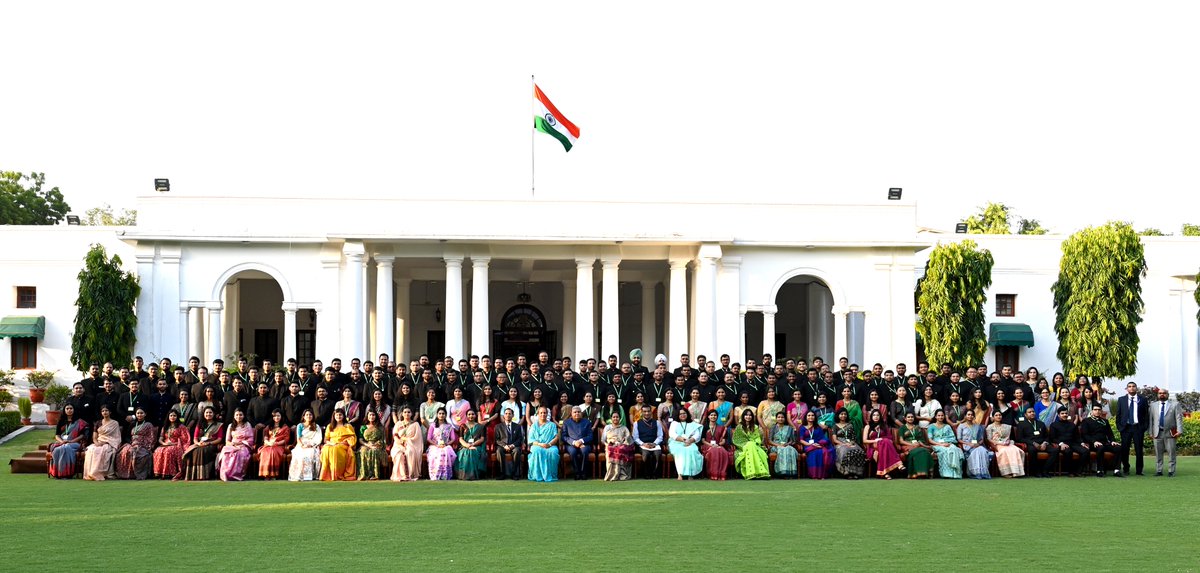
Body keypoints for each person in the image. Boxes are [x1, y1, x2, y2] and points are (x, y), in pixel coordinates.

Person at [180, 406, 225, 481]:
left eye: (210, 412)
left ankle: (204, 475)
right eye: (206, 412)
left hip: (211, 444)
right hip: (200, 443)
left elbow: (219, 439)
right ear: (203, 414)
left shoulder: (218, 425)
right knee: (192, 451)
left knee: (202, 451)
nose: (208, 414)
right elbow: (195, 438)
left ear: (214, 414)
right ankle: (193, 475)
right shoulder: (200, 424)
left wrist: (209, 443)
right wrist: (197, 443)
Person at [1115, 381, 1150, 476]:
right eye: (1129, 386)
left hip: (1138, 427)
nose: (1131, 388)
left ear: (1136, 388)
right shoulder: (1121, 399)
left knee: (1139, 450)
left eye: (1133, 386)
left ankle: (1139, 470)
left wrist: (1144, 427)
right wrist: (1119, 427)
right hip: (1125, 428)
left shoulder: (1143, 399)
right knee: (1125, 450)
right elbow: (1118, 414)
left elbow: (1146, 415)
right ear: (1127, 389)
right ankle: (1126, 467)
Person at [48, 404, 90, 479]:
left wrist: (71, 441)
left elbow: (82, 435)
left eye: (71, 408)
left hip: (75, 443)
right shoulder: (61, 421)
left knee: (66, 448)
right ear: (64, 410)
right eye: (67, 408)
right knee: (57, 449)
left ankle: (67, 474)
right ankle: (58, 473)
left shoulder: (79, 422)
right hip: (62, 443)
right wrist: (61, 441)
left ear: (74, 410)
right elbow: (57, 435)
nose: (69, 410)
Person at [1149, 388, 1183, 477]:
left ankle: (1171, 471)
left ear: (1167, 394)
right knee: (1158, 453)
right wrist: (1150, 432)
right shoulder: (1153, 405)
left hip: (1170, 433)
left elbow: (1178, 418)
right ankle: (1159, 470)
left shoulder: (1175, 404)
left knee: (1171, 453)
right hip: (1157, 433)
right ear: (1157, 395)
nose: (1162, 394)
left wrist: (1179, 430)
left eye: (1164, 393)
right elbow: (1151, 420)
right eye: (1160, 393)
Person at [82, 405, 122, 481]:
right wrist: (97, 443)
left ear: (110, 412)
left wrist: (106, 442)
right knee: (91, 450)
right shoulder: (98, 423)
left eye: (106, 411)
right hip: (99, 442)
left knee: (103, 450)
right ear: (101, 413)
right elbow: (94, 437)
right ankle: (90, 473)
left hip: (109, 443)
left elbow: (116, 437)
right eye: (103, 411)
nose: (104, 412)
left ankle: (99, 473)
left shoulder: (115, 423)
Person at [1080, 404, 1121, 477]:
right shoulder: (1086, 421)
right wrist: (1094, 441)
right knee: (1100, 448)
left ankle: (1116, 470)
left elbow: (1110, 434)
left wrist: (1112, 441)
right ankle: (1100, 470)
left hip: (1105, 443)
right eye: (1095, 410)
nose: (1097, 411)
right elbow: (1085, 435)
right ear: (1092, 411)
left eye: (1099, 410)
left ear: (1101, 411)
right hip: (1093, 444)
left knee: (1117, 448)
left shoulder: (1105, 421)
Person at [115, 407, 156, 480]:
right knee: (125, 452)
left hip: (144, 445)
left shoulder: (148, 425)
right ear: (136, 414)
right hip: (132, 444)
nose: (139, 415)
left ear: (145, 414)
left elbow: (151, 437)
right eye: (138, 413)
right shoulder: (132, 424)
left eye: (141, 413)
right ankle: (126, 474)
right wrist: (130, 443)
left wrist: (146, 445)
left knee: (139, 453)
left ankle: (139, 475)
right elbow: (127, 436)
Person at [863, 409, 904, 479]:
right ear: (871, 417)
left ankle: (885, 473)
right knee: (884, 441)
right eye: (874, 415)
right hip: (873, 446)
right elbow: (864, 440)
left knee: (885, 442)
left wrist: (882, 440)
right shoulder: (868, 426)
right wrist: (875, 440)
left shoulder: (884, 426)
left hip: (885, 446)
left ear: (880, 417)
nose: (876, 417)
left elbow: (890, 438)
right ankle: (899, 464)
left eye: (877, 415)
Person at [1014, 406, 1052, 478]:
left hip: (1042, 443)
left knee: (1055, 451)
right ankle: (1036, 472)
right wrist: (1033, 443)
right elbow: (1019, 438)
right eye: (1029, 412)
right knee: (1032, 450)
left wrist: (1044, 443)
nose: (1032, 413)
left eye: (1033, 412)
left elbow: (1047, 436)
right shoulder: (1021, 425)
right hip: (1030, 443)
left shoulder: (1041, 423)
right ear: (1025, 415)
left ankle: (1045, 470)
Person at [732, 408, 770, 479]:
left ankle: (760, 473)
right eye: (746, 415)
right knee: (749, 445)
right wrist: (747, 444)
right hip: (743, 447)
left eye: (750, 415)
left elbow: (757, 438)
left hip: (755, 445)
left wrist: (752, 443)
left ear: (752, 417)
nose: (748, 417)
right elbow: (736, 440)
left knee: (758, 450)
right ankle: (751, 473)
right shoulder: (739, 427)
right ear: (743, 416)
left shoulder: (755, 427)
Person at [389, 407, 425, 481]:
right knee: (398, 454)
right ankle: (401, 475)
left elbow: (417, 438)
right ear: (402, 414)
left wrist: (407, 441)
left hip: (412, 444)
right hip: (398, 444)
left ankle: (409, 475)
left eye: (408, 412)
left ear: (411, 414)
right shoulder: (398, 424)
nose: (407, 414)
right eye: (405, 412)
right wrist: (400, 442)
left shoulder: (415, 424)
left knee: (409, 452)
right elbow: (395, 435)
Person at [1048, 408, 1087, 477]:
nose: (1064, 415)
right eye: (1062, 414)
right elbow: (1052, 438)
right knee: (1068, 451)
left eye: (1066, 413)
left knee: (1085, 451)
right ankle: (1070, 472)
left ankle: (1079, 471)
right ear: (1058, 415)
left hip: (1073, 443)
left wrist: (1082, 443)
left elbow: (1077, 437)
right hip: (1062, 444)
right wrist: (1061, 444)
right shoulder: (1054, 425)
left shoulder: (1072, 424)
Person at [218, 408, 255, 481]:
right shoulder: (230, 426)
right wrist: (232, 444)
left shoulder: (247, 425)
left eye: (240, 415)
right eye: (237, 415)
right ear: (234, 416)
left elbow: (251, 439)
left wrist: (240, 443)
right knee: (227, 453)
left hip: (244, 446)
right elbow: (227, 440)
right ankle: (226, 474)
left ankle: (236, 475)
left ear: (243, 416)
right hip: (232, 445)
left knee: (239, 454)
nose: (239, 416)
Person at [153, 410, 190, 479]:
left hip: (177, 445)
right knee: (158, 451)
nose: (172, 417)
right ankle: (159, 473)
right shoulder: (165, 427)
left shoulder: (181, 427)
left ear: (177, 417)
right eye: (171, 415)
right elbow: (160, 438)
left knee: (168, 451)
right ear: (168, 417)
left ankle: (170, 473)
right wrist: (164, 443)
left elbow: (185, 439)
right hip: (166, 444)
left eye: (174, 416)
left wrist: (174, 443)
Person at [987, 410, 1025, 478]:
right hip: (996, 445)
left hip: (1007, 444)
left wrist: (1007, 442)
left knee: (1016, 450)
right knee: (1004, 451)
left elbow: (1010, 438)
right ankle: (1006, 472)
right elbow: (989, 439)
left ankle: (1016, 472)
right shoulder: (990, 427)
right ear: (993, 417)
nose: (998, 416)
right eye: (996, 415)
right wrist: (998, 443)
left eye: (1000, 415)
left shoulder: (1007, 426)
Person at [526, 406, 560, 482]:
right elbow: (531, 440)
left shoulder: (552, 425)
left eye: (544, 413)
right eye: (541, 413)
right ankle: (537, 475)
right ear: (538, 414)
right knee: (536, 451)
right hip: (537, 445)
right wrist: (540, 444)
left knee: (553, 452)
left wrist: (549, 444)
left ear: (547, 414)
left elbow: (556, 437)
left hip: (550, 445)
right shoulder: (534, 426)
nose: (543, 414)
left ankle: (551, 475)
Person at [927, 409, 964, 479]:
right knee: (945, 451)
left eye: (942, 415)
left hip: (948, 443)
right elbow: (930, 440)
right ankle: (946, 473)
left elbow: (953, 438)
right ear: (935, 417)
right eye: (939, 415)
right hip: (936, 445)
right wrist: (941, 444)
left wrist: (947, 443)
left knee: (955, 449)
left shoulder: (947, 426)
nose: (940, 417)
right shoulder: (931, 426)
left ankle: (955, 473)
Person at [831, 408, 866, 479]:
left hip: (850, 443)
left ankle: (856, 473)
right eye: (841, 414)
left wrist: (851, 443)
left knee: (859, 451)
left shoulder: (850, 425)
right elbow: (834, 439)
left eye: (845, 414)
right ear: (838, 415)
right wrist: (843, 444)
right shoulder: (835, 426)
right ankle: (847, 473)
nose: (843, 416)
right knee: (845, 451)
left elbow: (853, 437)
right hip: (840, 444)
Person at [669, 408, 704, 479]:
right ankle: (680, 474)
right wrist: (683, 440)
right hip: (676, 443)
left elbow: (697, 435)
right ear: (678, 415)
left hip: (690, 442)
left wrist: (690, 440)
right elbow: (672, 434)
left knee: (692, 450)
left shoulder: (693, 424)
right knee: (680, 451)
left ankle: (690, 474)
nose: (682, 415)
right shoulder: (674, 423)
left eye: (684, 413)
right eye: (680, 414)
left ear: (687, 414)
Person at [797, 410, 833, 479]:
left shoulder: (818, 427)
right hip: (808, 446)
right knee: (814, 453)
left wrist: (818, 444)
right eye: (809, 415)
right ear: (806, 417)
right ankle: (814, 475)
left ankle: (822, 475)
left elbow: (823, 438)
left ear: (815, 417)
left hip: (818, 444)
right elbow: (801, 440)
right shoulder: (802, 427)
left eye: (812, 415)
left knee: (823, 452)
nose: (811, 417)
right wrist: (811, 445)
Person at [289, 409, 323, 482]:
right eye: (307, 415)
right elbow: (298, 438)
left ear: (313, 416)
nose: (308, 416)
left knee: (311, 454)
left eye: (310, 414)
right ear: (303, 416)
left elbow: (318, 438)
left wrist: (311, 444)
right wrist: (302, 445)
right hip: (301, 445)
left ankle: (310, 476)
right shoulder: (300, 425)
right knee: (300, 456)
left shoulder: (316, 426)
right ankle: (300, 476)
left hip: (312, 445)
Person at [700, 409, 733, 480]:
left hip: (719, 445)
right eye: (711, 415)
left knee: (722, 451)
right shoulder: (705, 427)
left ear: (717, 417)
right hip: (707, 446)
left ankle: (721, 473)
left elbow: (724, 440)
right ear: (708, 417)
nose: (713, 416)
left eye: (715, 415)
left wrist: (718, 444)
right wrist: (711, 445)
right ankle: (713, 473)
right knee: (714, 451)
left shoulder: (722, 427)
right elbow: (703, 440)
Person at [957, 409, 991, 479]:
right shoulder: (961, 426)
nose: (970, 416)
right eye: (968, 414)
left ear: (974, 416)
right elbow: (959, 439)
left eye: (972, 415)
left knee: (982, 450)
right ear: (965, 416)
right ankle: (975, 473)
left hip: (977, 445)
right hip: (967, 446)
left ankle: (983, 472)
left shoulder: (978, 426)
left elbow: (981, 439)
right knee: (978, 451)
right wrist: (969, 444)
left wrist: (978, 444)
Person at [562, 406, 594, 480]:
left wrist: (581, 441)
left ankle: (583, 473)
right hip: (571, 444)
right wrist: (574, 442)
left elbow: (590, 436)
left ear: (581, 413)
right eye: (575, 412)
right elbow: (564, 436)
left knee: (584, 451)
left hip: (584, 444)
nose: (577, 413)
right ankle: (576, 473)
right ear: (571, 414)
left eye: (578, 412)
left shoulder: (587, 422)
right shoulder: (566, 422)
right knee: (573, 452)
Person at [426, 407, 458, 480]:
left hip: (446, 445)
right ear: (437, 415)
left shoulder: (449, 426)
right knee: (438, 453)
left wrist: (446, 444)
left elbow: (453, 438)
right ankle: (436, 474)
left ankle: (445, 475)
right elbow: (428, 438)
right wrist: (436, 445)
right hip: (434, 445)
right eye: (440, 413)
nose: (441, 415)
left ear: (446, 415)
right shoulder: (433, 425)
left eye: (443, 414)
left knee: (446, 451)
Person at [258, 410, 291, 480]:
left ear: (281, 417)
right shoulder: (269, 427)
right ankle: (265, 474)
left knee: (272, 452)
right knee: (264, 452)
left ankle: (273, 475)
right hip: (268, 444)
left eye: (278, 416)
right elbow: (265, 437)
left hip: (279, 446)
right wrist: (268, 442)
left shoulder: (285, 427)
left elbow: (286, 439)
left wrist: (276, 443)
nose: (276, 417)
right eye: (275, 416)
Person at [898, 412, 933, 478]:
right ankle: (914, 473)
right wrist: (912, 444)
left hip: (918, 445)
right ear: (905, 418)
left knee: (924, 451)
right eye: (908, 417)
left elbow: (921, 439)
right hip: (907, 446)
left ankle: (924, 473)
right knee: (918, 451)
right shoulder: (902, 428)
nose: (910, 418)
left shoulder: (918, 427)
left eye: (912, 417)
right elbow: (901, 441)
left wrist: (920, 444)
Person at [602, 412, 635, 481]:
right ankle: (612, 475)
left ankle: (622, 475)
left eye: (617, 417)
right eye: (613, 417)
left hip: (622, 446)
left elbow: (629, 439)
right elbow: (603, 440)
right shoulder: (607, 428)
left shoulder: (624, 428)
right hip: (610, 446)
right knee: (612, 450)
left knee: (620, 450)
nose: (615, 418)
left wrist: (622, 444)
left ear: (620, 418)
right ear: (611, 419)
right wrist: (609, 444)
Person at [633, 405, 664, 479]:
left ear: (651, 412)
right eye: (644, 411)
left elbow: (660, 436)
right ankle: (646, 474)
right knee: (646, 454)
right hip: (643, 445)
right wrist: (643, 444)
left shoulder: (657, 422)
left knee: (657, 454)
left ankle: (655, 474)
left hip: (655, 444)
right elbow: (635, 438)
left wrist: (654, 443)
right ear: (641, 412)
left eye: (648, 411)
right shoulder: (636, 423)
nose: (647, 413)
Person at [455, 410, 487, 481]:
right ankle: (464, 475)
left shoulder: (481, 426)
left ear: (475, 416)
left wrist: (473, 444)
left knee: (472, 452)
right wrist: (467, 445)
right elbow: (460, 439)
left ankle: (474, 475)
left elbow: (482, 439)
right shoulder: (463, 426)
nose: (471, 416)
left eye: (472, 414)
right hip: (464, 446)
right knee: (465, 452)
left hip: (477, 446)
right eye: (469, 414)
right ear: (466, 416)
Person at [493, 408, 524, 480]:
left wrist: (513, 445)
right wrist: (504, 445)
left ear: (513, 415)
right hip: (502, 446)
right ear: (503, 415)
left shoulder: (518, 426)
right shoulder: (498, 426)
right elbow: (497, 440)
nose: (508, 415)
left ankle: (515, 474)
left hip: (514, 446)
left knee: (517, 451)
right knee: (499, 451)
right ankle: (502, 474)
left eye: (510, 414)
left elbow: (520, 439)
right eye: (506, 413)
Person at [357, 409, 388, 480]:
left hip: (378, 445)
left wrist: (376, 444)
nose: (371, 416)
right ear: (367, 416)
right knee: (363, 451)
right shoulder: (363, 427)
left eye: (373, 415)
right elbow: (360, 439)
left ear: (376, 416)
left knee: (374, 451)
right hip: (366, 444)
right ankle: (365, 474)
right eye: (370, 415)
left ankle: (375, 475)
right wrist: (368, 445)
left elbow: (382, 439)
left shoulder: (380, 427)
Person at [766, 411, 798, 478]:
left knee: (790, 449)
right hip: (775, 446)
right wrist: (778, 445)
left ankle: (790, 472)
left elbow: (792, 440)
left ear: (785, 419)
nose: (780, 419)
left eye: (782, 417)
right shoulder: (773, 428)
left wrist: (787, 444)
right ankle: (782, 472)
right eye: (779, 417)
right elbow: (769, 440)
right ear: (776, 418)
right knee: (783, 449)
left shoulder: (789, 428)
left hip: (786, 445)